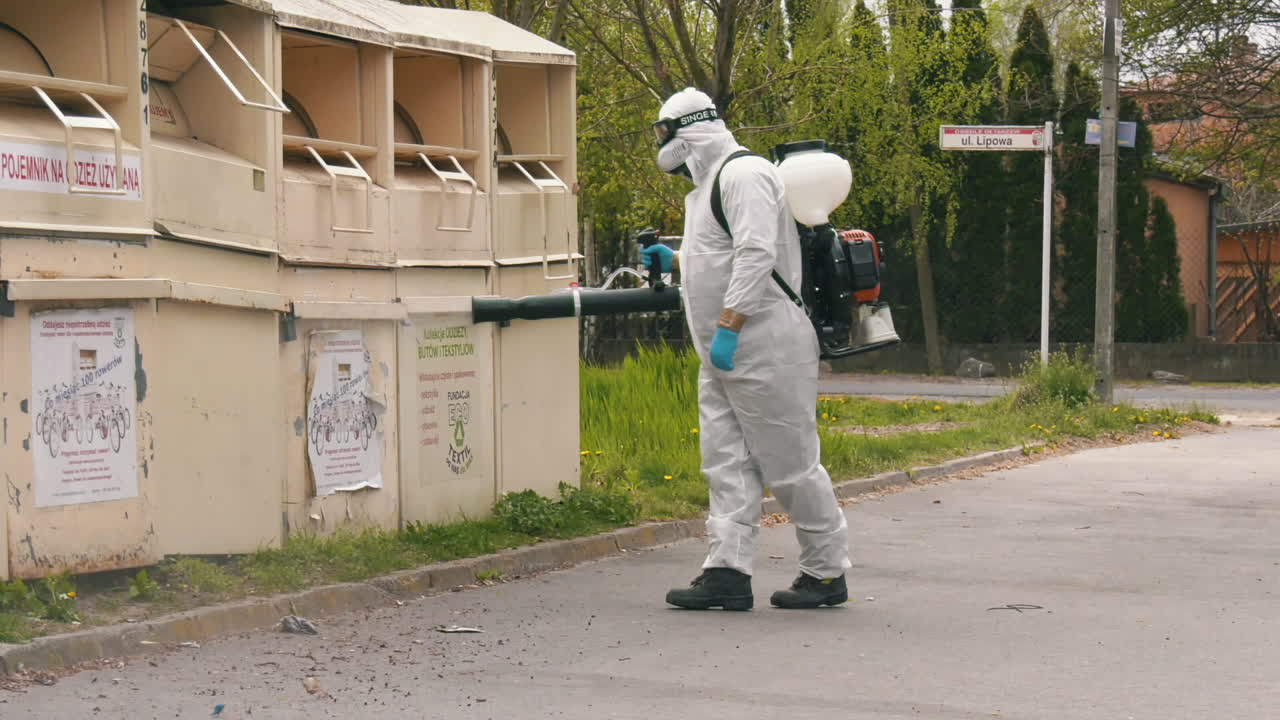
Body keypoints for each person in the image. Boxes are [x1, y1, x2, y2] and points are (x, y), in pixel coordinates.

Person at [642, 87, 851, 610]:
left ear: (690, 128)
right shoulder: (710, 185)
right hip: (721, 352)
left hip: (764, 345)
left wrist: (731, 325)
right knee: (725, 462)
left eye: (665, 134)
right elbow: (716, 258)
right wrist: (672, 259)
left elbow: (757, 254)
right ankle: (727, 572)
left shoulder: (744, 174)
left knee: (790, 463)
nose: (662, 147)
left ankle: (826, 572)